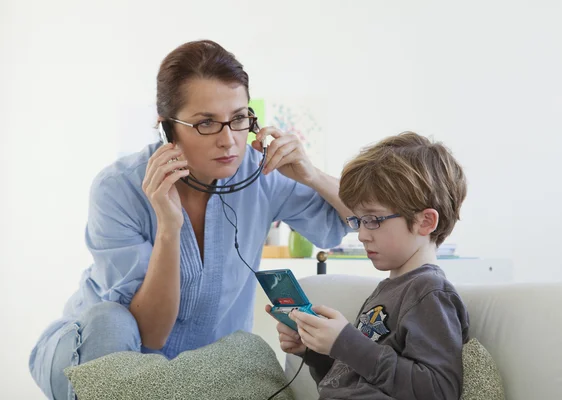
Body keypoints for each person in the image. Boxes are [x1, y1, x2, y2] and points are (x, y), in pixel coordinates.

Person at [29, 39, 352, 399]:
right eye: (206, 123)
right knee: (111, 319)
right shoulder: (117, 188)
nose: (229, 141)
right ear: (168, 128)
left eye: (239, 118)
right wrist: (169, 229)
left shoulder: (260, 172)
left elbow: (343, 225)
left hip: (205, 369)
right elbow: (150, 334)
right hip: (99, 348)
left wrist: (311, 175)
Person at [269, 132, 470, 399]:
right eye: (359, 221)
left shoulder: (430, 292)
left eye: (374, 219)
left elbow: (438, 390)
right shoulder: (390, 289)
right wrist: (316, 350)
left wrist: (346, 342)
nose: (362, 234)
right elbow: (352, 381)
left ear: (425, 222)